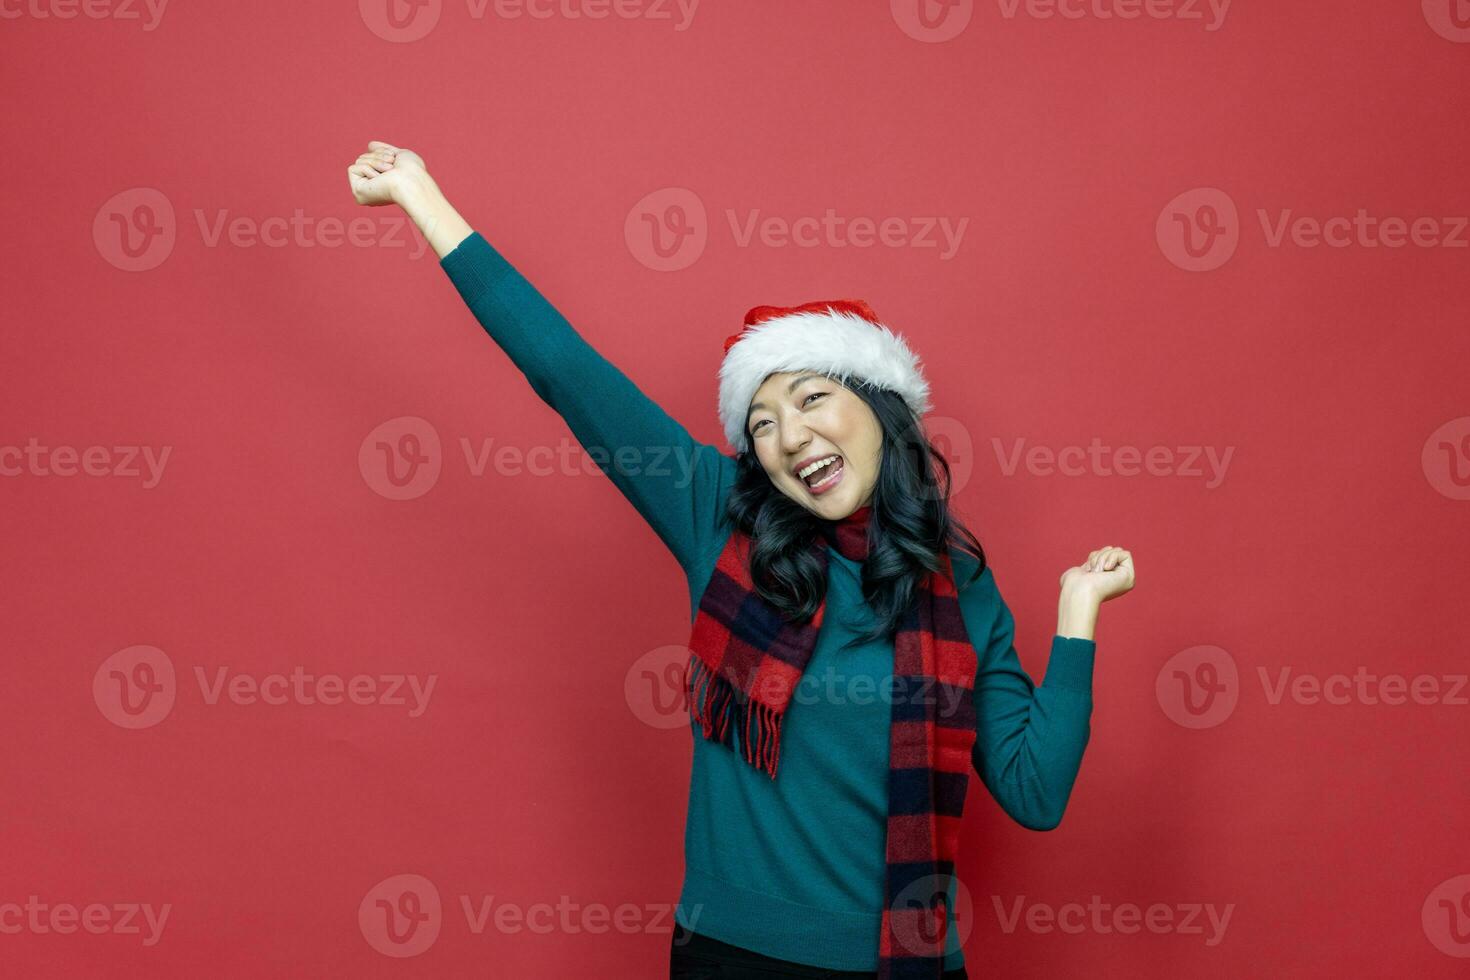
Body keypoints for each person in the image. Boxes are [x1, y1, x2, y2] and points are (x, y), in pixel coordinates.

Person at [347, 140, 1136, 980]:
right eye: (761, 424)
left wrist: (1078, 616)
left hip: (907, 963)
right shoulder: (722, 522)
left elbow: (1033, 792)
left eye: (811, 400)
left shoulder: (960, 589)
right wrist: (422, 198)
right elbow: (567, 372)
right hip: (738, 956)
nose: (790, 438)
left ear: (879, 407)